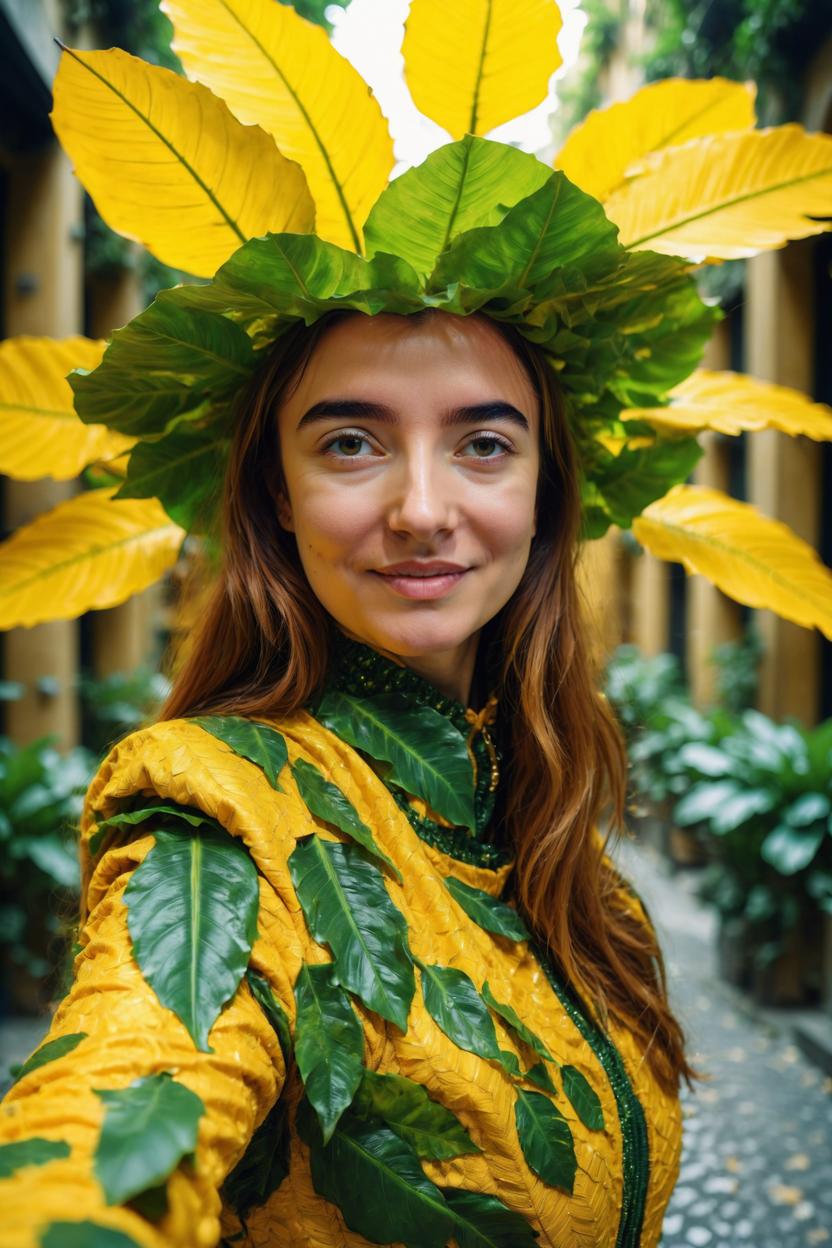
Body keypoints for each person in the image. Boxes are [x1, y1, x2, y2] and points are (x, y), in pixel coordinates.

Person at [2, 303, 689, 1248]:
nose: (421, 511)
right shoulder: (221, 808)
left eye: (484, 444)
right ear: (277, 492)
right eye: (352, 442)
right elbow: (121, 1104)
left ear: (544, 491)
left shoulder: (580, 871)